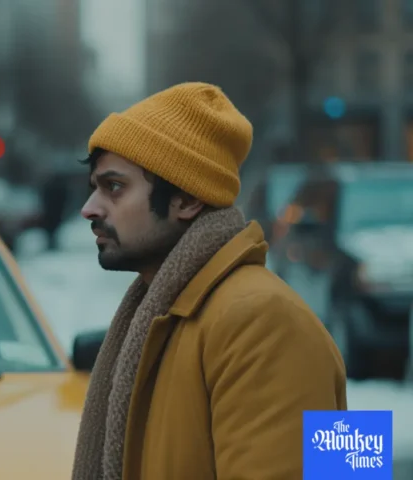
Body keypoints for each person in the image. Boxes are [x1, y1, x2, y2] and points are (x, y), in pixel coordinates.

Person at [71, 82, 347, 480]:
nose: (89, 208)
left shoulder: (266, 320)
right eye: (94, 188)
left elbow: (347, 467)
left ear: (187, 200)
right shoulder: (162, 317)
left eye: (114, 187)